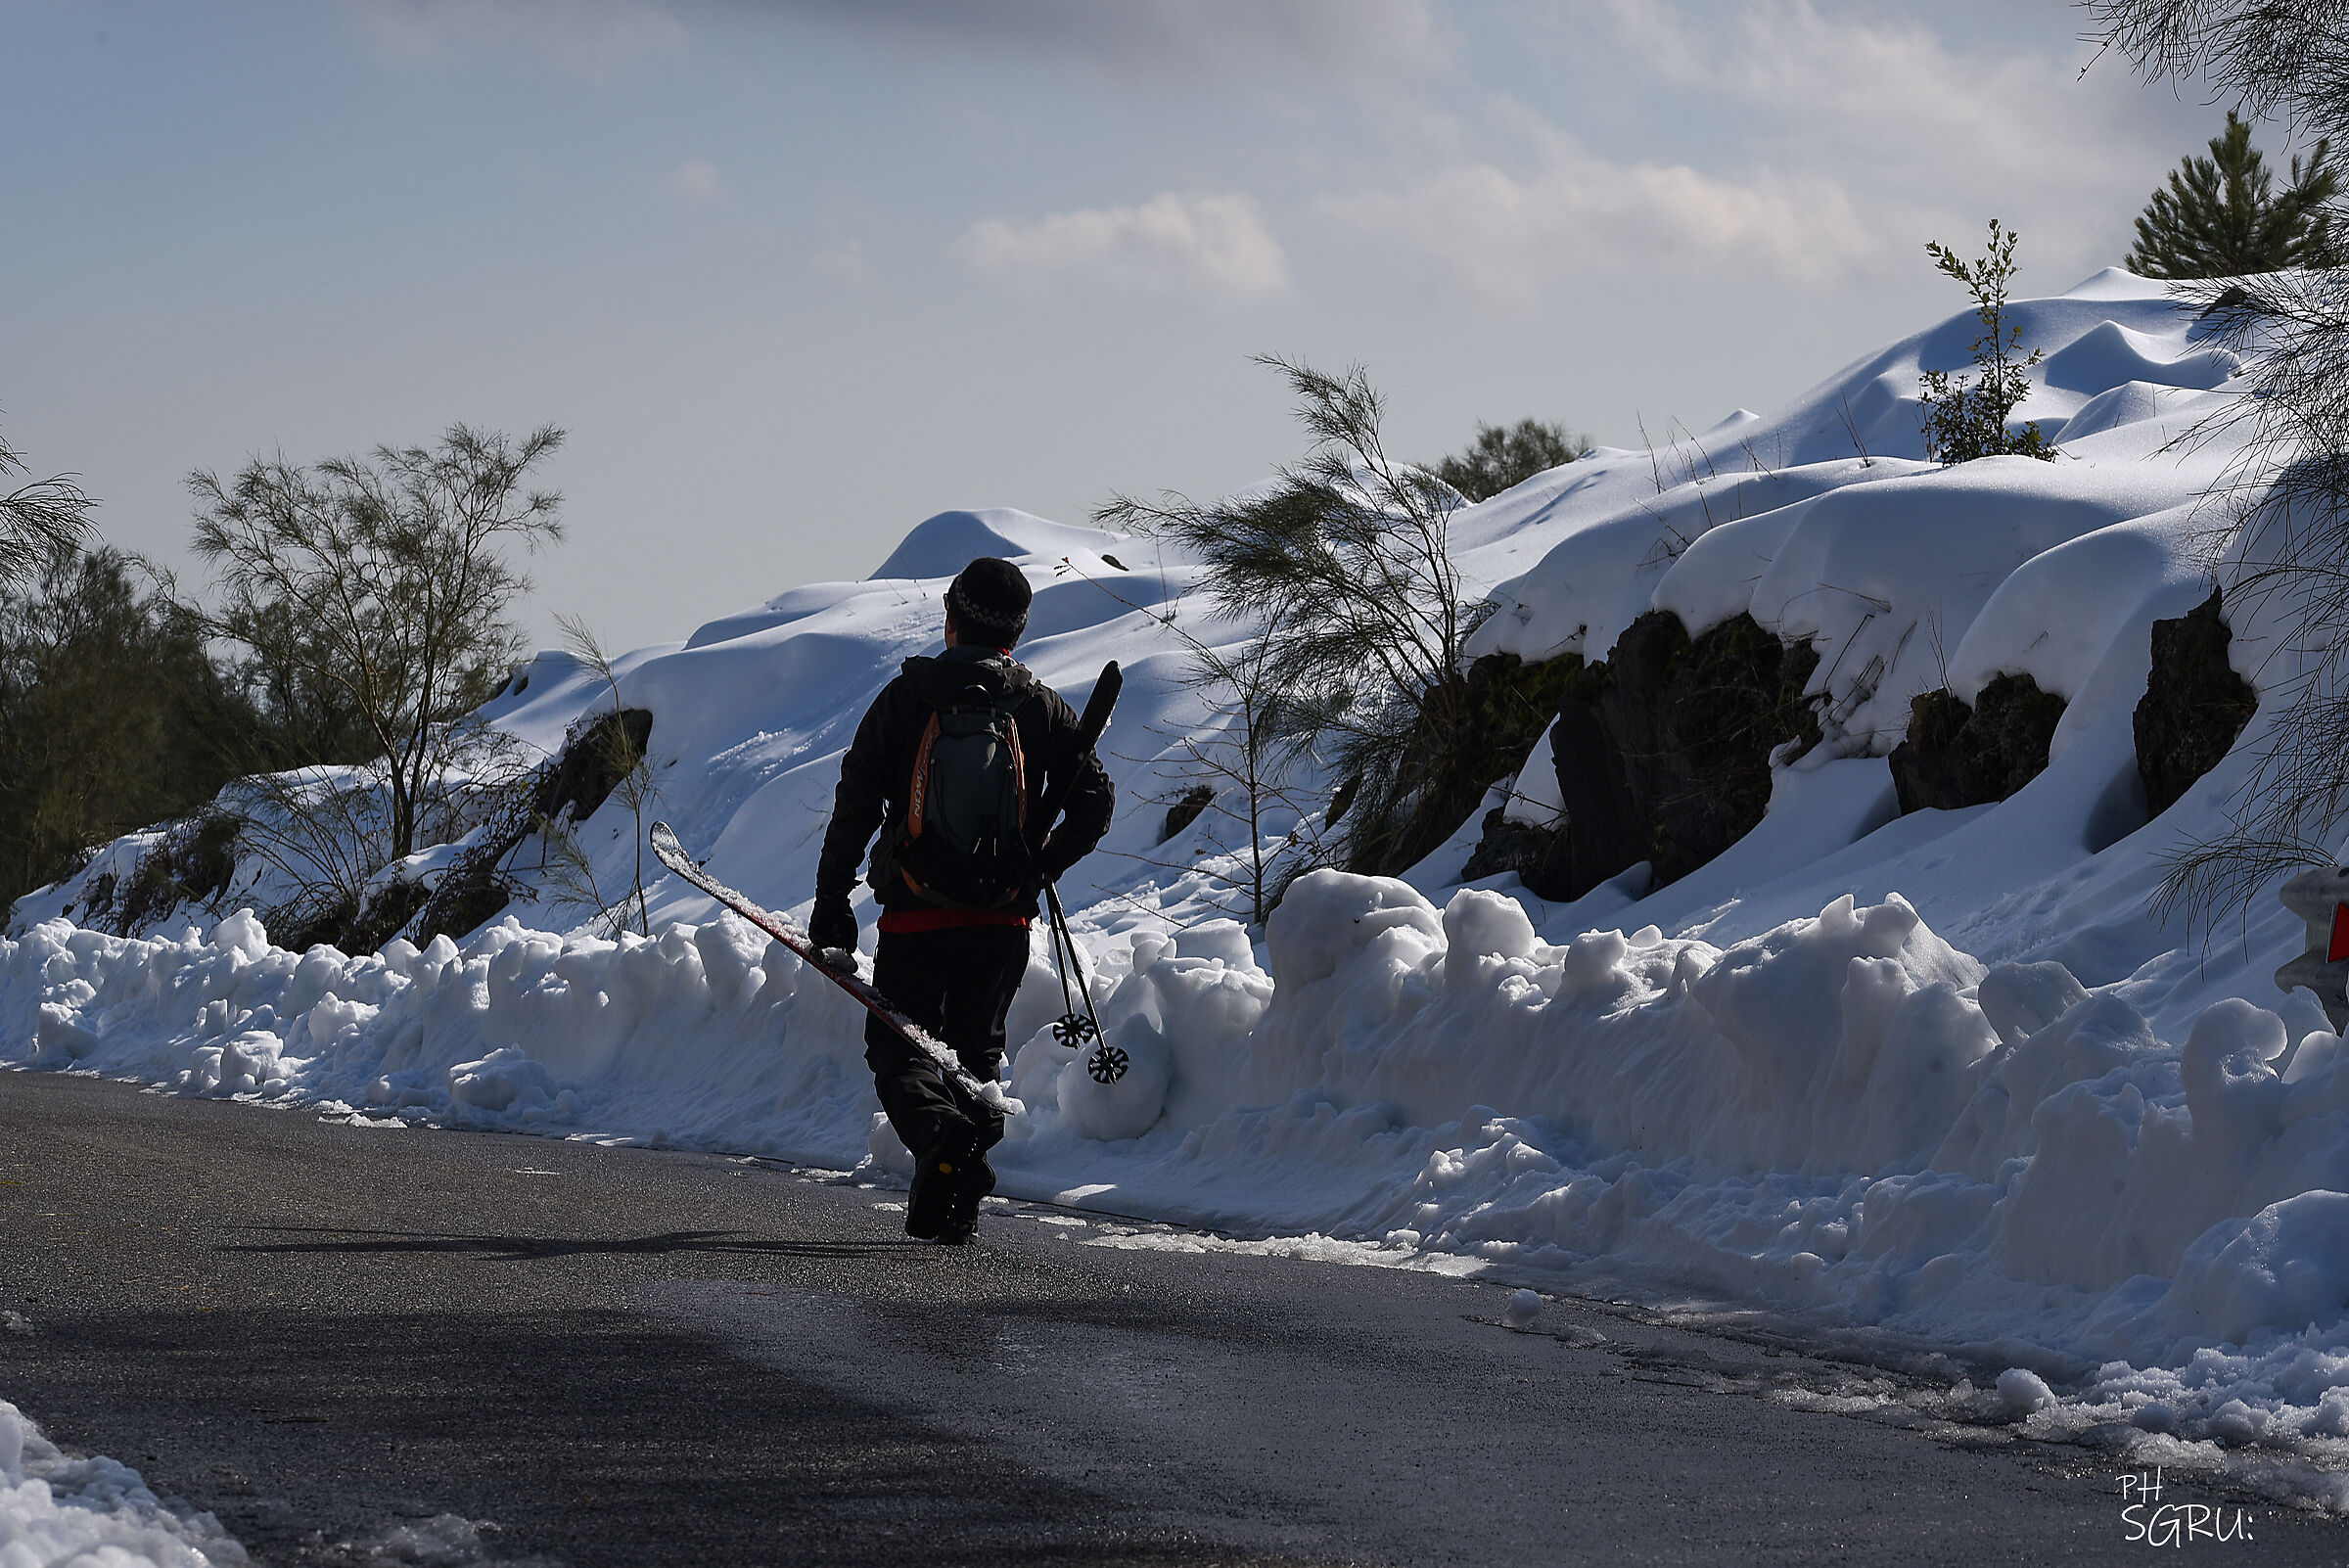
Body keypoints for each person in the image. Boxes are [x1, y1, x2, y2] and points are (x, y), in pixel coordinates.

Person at [810, 557, 1114, 1242]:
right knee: (975, 1057)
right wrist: (1036, 869)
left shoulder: (909, 696)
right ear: (1018, 631)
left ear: (950, 617)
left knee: (901, 1050)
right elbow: (1095, 805)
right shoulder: (1037, 706)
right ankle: (952, 1203)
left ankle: (943, 1141)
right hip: (1002, 920)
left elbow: (856, 799)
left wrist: (833, 899)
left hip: (918, 912)